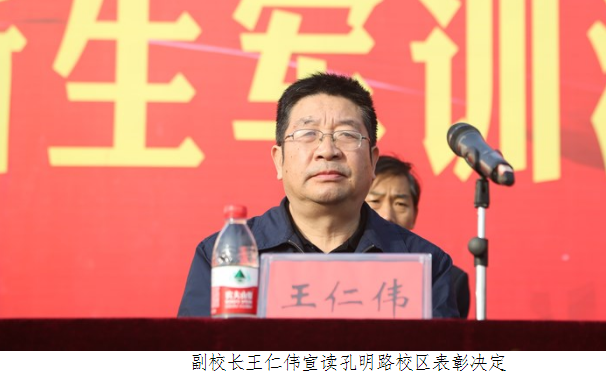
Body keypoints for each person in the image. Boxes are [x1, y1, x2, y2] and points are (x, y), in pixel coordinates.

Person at [178, 72, 458, 318]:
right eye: (308, 134)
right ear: (279, 160)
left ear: (373, 161)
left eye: (347, 135)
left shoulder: (426, 264)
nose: (327, 150)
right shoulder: (224, 257)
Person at [366, 155, 470, 318]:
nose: (387, 215)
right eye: (375, 201)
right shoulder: (339, 265)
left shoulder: (442, 277)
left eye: (400, 204)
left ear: (414, 215)